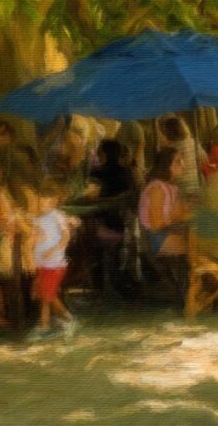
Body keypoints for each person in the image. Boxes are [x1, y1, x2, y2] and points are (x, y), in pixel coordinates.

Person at [28, 183, 76, 340]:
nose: (42, 204)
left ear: (54, 201)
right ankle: (48, 324)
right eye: (40, 201)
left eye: (45, 201)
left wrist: (54, 249)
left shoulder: (57, 216)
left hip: (55, 263)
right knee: (45, 295)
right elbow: (35, 237)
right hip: (42, 263)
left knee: (48, 296)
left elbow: (66, 235)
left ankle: (63, 321)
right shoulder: (37, 219)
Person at [81, 139, 137, 242]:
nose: (98, 155)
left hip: (102, 221)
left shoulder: (98, 173)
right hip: (124, 222)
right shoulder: (127, 172)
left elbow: (89, 197)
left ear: (106, 154)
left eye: (99, 152)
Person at [138, 147, 191, 257]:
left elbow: (184, 213)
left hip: (169, 232)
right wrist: (176, 216)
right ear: (167, 165)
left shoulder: (173, 188)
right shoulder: (157, 188)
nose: (183, 164)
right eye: (178, 161)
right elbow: (157, 224)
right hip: (158, 238)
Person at [158, 117, 207, 197]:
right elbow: (204, 161)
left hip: (179, 187)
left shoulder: (169, 148)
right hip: (197, 184)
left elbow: (166, 171)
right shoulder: (193, 142)